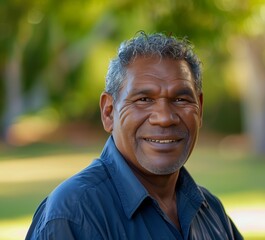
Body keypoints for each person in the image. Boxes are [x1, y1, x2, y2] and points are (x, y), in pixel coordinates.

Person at [26, 32, 243, 240]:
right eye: (144, 99)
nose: (165, 118)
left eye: (180, 99)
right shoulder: (73, 215)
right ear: (109, 112)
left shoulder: (211, 212)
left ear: (200, 109)